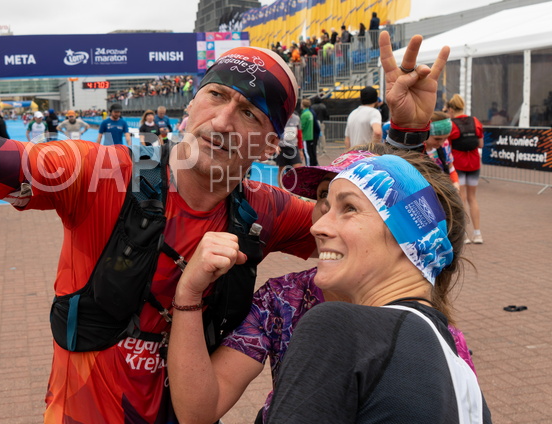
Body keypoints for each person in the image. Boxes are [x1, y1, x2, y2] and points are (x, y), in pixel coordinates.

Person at [0, 0, 446, 423]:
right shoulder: (99, 174)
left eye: (250, 113)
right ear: (189, 106)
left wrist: (410, 138)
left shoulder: (266, 211)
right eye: (216, 96)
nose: (224, 120)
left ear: (270, 142)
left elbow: (405, 243)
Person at [168, 148, 482, 424]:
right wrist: (188, 294)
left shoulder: (332, 325)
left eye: (349, 206)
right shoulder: (284, 298)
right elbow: (199, 410)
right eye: (322, 197)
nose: (318, 225)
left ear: (405, 234)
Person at [446, 94, 485, 244]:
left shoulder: (451, 124)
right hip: (474, 163)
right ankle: (478, 233)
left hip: (458, 164)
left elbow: (447, 147)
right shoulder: (475, 121)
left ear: (451, 109)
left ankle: (464, 235)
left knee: (460, 199)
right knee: (472, 198)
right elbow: (480, 144)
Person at [425, 110, 460, 191]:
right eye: (437, 139)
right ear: (425, 134)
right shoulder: (416, 151)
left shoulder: (445, 145)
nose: (441, 143)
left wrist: (455, 183)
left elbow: (451, 169)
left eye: (446, 138)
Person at [274, 105, 304, 172]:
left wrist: (300, 149)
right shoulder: (279, 118)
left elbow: (299, 134)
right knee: (281, 170)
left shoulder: (296, 118)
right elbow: (275, 132)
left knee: (297, 169)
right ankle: (281, 179)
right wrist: (276, 145)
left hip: (293, 147)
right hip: (282, 147)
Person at [299, 99, 317, 166]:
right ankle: (310, 165)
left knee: (306, 153)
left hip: (305, 136)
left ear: (303, 105)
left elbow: (302, 126)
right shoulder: (310, 113)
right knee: (310, 152)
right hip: (310, 135)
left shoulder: (304, 114)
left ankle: (308, 166)